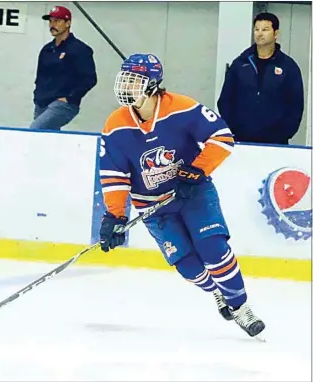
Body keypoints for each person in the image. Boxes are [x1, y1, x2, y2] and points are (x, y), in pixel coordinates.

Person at [98, 53, 266, 338]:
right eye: (124, 79)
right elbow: (114, 175)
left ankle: (241, 307)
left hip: (194, 194)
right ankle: (217, 292)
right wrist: (114, 215)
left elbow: (222, 137)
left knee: (213, 249)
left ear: (152, 85)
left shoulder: (182, 107)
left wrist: (196, 171)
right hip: (154, 207)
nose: (126, 87)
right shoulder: (116, 124)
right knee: (188, 266)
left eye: (134, 81)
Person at [217, 12, 304, 145]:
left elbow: (296, 105)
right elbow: (225, 99)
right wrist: (233, 128)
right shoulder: (240, 64)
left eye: (265, 29)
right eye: (257, 29)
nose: (259, 33)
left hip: (276, 142)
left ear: (276, 34)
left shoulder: (288, 67)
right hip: (241, 138)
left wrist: (284, 132)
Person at [30, 6, 97, 131]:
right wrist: (37, 95)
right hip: (42, 102)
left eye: (57, 21)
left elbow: (89, 79)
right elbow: (40, 77)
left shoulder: (80, 49)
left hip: (63, 104)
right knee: (46, 138)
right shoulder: (47, 49)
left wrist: (70, 97)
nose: (52, 24)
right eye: (50, 21)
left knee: (35, 129)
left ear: (68, 23)